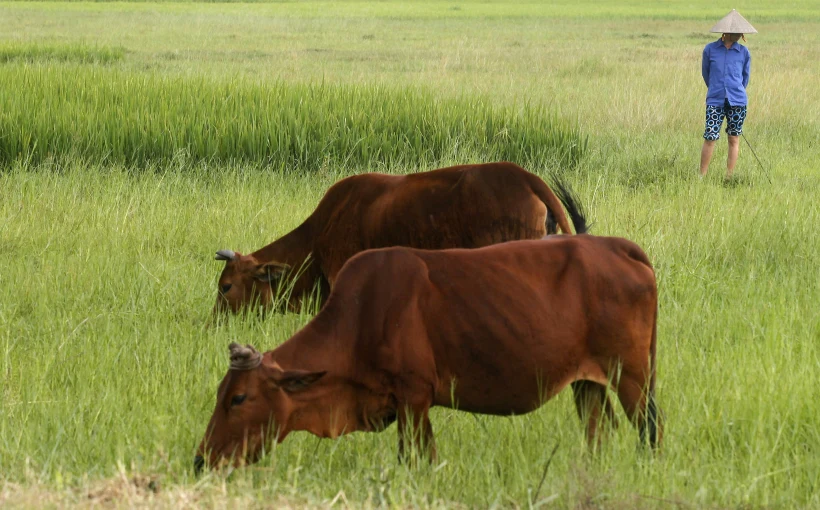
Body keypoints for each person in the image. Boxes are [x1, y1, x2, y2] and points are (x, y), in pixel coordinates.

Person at [699, 9, 757, 180]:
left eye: (741, 32)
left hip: (738, 101)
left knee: (733, 139)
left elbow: (745, 79)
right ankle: (701, 176)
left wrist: (734, 91)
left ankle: (729, 177)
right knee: (710, 137)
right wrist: (717, 89)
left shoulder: (744, 53)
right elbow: (706, 74)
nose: (739, 34)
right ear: (726, 31)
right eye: (736, 32)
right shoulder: (710, 50)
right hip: (715, 100)